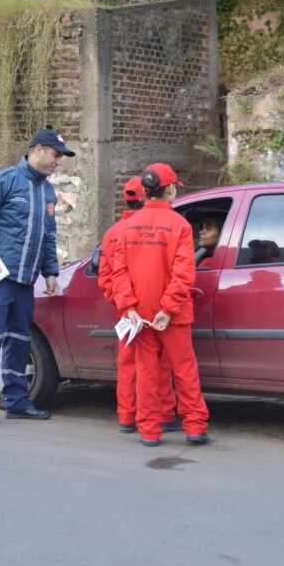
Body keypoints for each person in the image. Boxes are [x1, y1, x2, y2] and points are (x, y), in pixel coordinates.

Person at [0, 126, 75, 427]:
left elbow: (49, 235)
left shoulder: (47, 192)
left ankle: (17, 402)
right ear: (37, 150)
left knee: (20, 342)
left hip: (26, 282)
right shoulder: (3, 181)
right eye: (56, 155)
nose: (58, 162)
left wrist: (50, 273)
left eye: (61, 157)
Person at [111, 163, 210, 446]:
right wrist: (167, 309)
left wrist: (130, 308)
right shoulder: (179, 225)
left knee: (146, 373)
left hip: (140, 315)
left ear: (146, 191)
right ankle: (194, 426)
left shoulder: (128, 226)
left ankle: (149, 431)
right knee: (184, 370)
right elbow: (184, 273)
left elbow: (119, 272)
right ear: (170, 190)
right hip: (173, 316)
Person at [98, 176, 180, 435]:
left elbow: (106, 277)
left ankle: (127, 416)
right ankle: (164, 415)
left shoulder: (112, 233)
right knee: (158, 364)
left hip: (127, 312)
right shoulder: (154, 226)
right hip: (152, 308)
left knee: (128, 365)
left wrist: (123, 305)